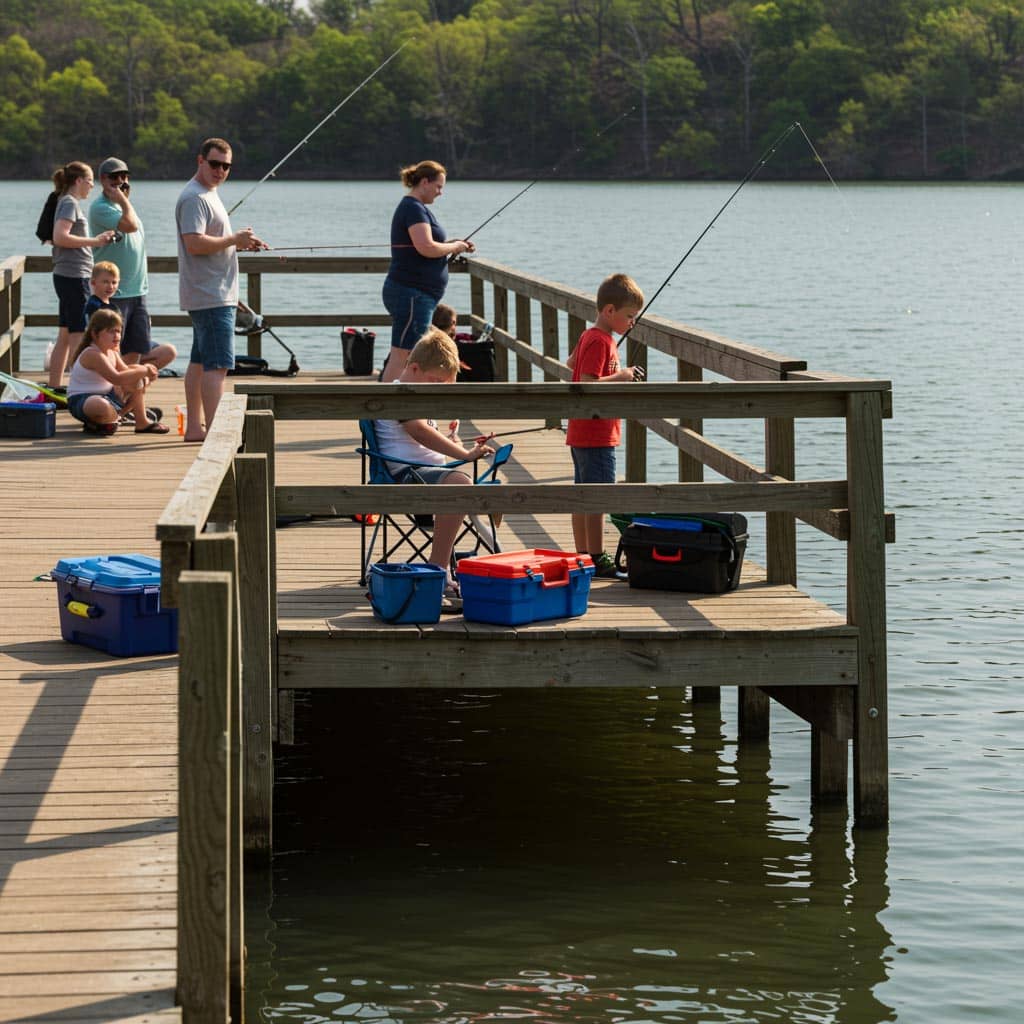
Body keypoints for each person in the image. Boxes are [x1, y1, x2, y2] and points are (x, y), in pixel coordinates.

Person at [375, 328, 495, 611]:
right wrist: (465, 454)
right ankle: (439, 571)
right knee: (460, 486)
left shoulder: (419, 394)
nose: (439, 389)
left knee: (463, 484)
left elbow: (430, 435)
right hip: (408, 476)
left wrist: (453, 440)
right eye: (436, 382)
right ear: (414, 368)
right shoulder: (400, 393)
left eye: (446, 385)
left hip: (430, 472)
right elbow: (420, 433)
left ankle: (451, 570)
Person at [175, 137, 266, 442]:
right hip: (210, 294)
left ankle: (194, 428)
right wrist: (233, 240)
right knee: (219, 367)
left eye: (226, 166)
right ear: (200, 160)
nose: (220, 170)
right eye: (215, 164)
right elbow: (195, 243)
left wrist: (241, 243)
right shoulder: (195, 198)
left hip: (212, 292)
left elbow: (212, 241)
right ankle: (216, 435)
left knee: (200, 362)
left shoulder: (208, 194)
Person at [566, 273, 646, 579]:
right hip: (596, 433)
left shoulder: (591, 336)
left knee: (581, 493)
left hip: (580, 431)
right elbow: (588, 384)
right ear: (608, 311)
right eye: (629, 316)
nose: (632, 322)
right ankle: (597, 557)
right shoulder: (600, 341)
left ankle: (582, 554)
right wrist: (621, 376)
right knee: (599, 496)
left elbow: (573, 364)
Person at [380, 160, 475, 383]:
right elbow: (426, 248)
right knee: (402, 354)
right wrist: (456, 247)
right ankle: (383, 413)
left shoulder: (418, 209)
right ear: (424, 182)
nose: (440, 192)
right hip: (411, 294)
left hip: (418, 295)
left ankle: (398, 408)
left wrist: (453, 243)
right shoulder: (412, 208)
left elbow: (428, 245)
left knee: (409, 353)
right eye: (438, 186)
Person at [89, 156, 177, 372]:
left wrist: (123, 201)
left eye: (124, 176)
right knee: (115, 349)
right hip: (115, 292)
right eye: (114, 177)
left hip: (138, 291)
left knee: (137, 349)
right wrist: (123, 200)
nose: (120, 181)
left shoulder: (124, 205)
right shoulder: (101, 207)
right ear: (102, 179)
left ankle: (128, 394)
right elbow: (129, 226)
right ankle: (115, 393)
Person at [46, 162, 118, 388]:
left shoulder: (66, 202)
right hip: (74, 275)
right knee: (79, 333)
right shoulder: (69, 203)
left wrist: (95, 240)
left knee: (65, 334)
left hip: (66, 274)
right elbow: (60, 237)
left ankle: (56, 385)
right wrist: (95, 241)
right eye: (89, 181)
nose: (92, 186)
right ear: (78, 181)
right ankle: (82, 386)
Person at [66, 308, 168, 435]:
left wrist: (145, 372)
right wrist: (144, 369)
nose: (116, 336)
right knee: (100, 405)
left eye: (118, 331)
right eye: (111, 332)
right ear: (95, 334)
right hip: (83, 400)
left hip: (109, 396)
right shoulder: (92, 354)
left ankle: (139, 422)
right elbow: (117, 378)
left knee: (138, 380)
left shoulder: (112, 351)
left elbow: (126, 371)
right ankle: (111, 419)